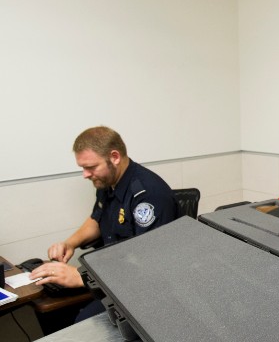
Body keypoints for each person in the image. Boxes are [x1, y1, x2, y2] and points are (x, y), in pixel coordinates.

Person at [29, 126, 178, 320]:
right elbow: (97, 220)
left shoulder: (148, 194)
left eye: (90, 167)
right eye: (82, 168)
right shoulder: (107, 182)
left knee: (82, 322)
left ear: (114, 157)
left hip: (147, 289)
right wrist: (70, 243)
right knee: (59, 312)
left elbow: (150, 262)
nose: (85, 174)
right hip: (114, 278)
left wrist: (82, 276)